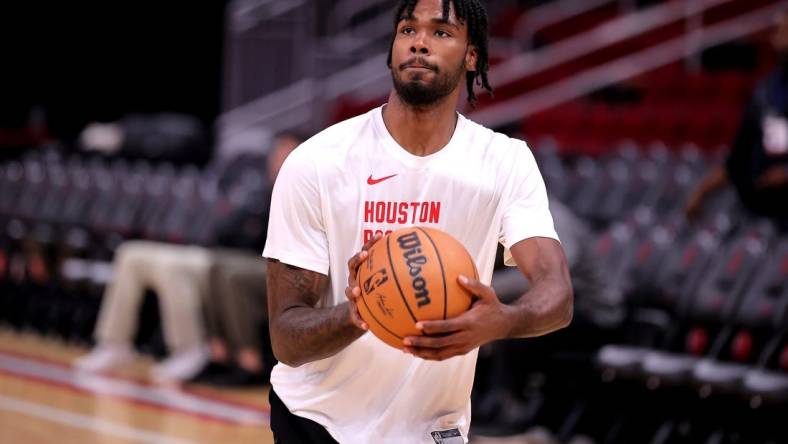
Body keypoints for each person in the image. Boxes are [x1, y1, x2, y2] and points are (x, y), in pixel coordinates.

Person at [262, 1, 574, 443]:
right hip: (317, 421)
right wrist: (360, 312)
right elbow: (286, 339)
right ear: (392, 48)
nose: (420, 43)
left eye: (442, 33)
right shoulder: (318, 162)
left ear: (472, 56)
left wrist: (502, 321)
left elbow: (557, 295)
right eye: (408, 30)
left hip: (433, 428)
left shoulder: (504, 162)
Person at [74, 133, 301, 383]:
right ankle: (114, 343)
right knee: (130, 254)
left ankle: (189, 348)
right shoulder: (255, 190)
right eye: (277, 153)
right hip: (215, 252)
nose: (278, 159)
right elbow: (223, 229)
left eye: (287, 154)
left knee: (170, 267)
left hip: (238, 263)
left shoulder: (296, 196)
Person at [686, 10, 788, 230]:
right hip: (763, 214)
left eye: (784, 30)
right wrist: (702, 191)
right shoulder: (766, 92)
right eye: (778, 30)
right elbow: (738, 158)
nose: (776, 37)